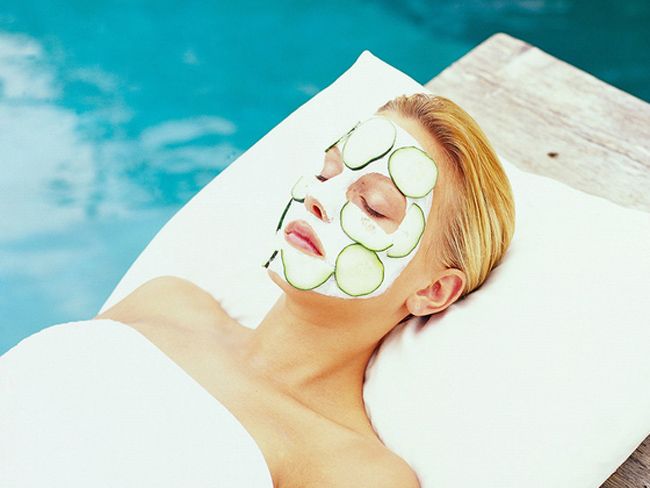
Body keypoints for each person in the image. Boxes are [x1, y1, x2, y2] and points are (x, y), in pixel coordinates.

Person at [25, 93, 515, 488]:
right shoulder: (167, 301)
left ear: (434, 291)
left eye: (372, 205)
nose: (319, 197)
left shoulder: (351, 471)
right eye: (327, 172)